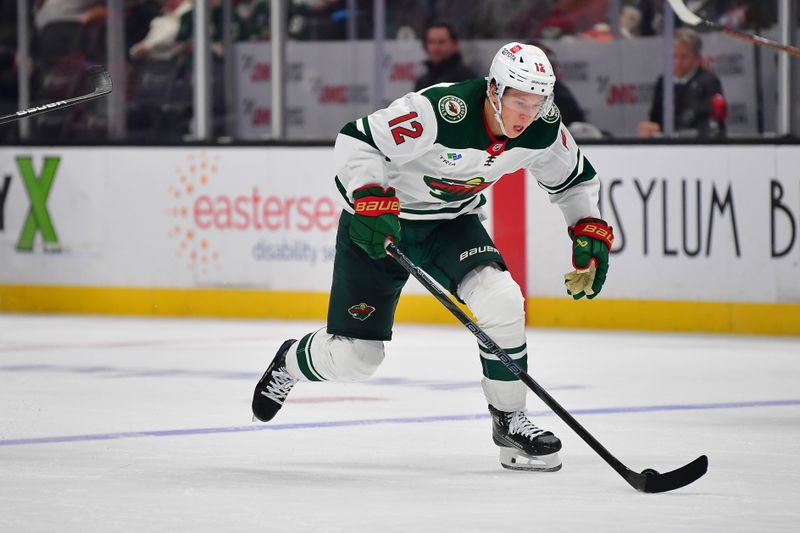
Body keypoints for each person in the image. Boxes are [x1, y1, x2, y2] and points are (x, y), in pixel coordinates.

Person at [252, 42, 613, 472]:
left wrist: (587, 228)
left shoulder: (542, 127)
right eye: (519, 101)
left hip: (451, 223)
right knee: (357, 360)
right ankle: (291, 361)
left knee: (502, 299)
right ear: (494, 90)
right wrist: (368, 196)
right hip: (382, 225)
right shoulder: (440, 110)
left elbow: (573, 181)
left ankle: (510, 424)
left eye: (538, 102)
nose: (527, 114)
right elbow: (358, 139)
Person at [638, 28, 726, 138]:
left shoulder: (709, 82)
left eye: (684, 57)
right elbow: (655, 117)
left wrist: (666, 129)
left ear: (696, 57)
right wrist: (651, 129)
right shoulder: (663, 82)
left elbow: (704, 120)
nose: (678, 62)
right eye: (674, 56)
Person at [413, 22, 476, 92]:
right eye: (431, 42)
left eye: (441, 42)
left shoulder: (466, 81)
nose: (435, 48)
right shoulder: (422, 82)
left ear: (455, 44)